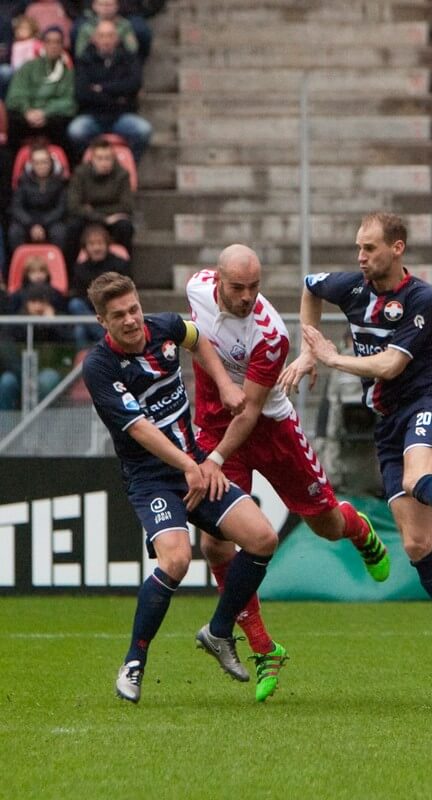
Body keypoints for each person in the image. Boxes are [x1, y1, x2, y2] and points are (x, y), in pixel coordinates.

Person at [277, 213, 432, 683]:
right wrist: (307, 348)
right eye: (358, 248)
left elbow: (388, 366)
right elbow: (310, 287)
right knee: (417, 544)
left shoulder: (421, 298)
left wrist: (329, 357)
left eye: (369, 249)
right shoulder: (352, 286)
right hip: (388, 426)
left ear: (397, 248)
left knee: (417, 478)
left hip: (428, 405)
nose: (360, 258)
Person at [187, 245, 393, 702]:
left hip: (269, 429)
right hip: (215, 425)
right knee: (215, 541)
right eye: (237, 287)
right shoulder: (195, 289)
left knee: (326, 525)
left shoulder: (270, 333)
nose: (246, 297)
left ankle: (360, 531)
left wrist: (213, 460)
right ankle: (263, 649)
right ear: (217, 281)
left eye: (255, 287)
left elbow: (251, 410)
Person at [81, 271, 281, 703]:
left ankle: (219, 630)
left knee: (263, 538)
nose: (133, 320)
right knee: (175, 559)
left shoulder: (165, 326)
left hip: (193, 465)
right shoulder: (98, 367)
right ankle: (134, 663)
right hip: (152, 477)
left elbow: (197, 339)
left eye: (134, 309)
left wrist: (226, 384)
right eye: (119, 316)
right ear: (102, 321)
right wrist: (191, 466)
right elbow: (139, 430)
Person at [69, 20, 153, 161]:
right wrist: (117, 97)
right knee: (75, 132)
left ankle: (124, 167)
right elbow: (82, 93)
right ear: (94, 38)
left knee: (144, 130)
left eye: (110, 35)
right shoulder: (84, 60)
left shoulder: (129, 58)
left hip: (121, 116)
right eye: (102, 36)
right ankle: (91, 166)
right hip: (93, 116)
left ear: (117, 38)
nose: (106, 40)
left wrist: (101, 88)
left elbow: (133, 84)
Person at [4, 26, 75, 150]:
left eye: (57, 42)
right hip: (27, 114)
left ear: (62, 46)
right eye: (49, 42)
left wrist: (45, 112)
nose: (53, 46)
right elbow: (14, 96)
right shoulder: (28, 67)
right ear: (43, 44)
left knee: (64, 123)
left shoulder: (68, 72)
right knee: (12, 121)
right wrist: (27, 110)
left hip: (52, 117)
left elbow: (70, 101)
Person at [67, 137, 134, 255]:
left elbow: (126, 206)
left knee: (126, 227)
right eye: (100, 158)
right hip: (90, 220)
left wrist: (91, 209)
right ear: (92, 159)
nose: (104, 163)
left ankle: (124, 268)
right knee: (73, 227)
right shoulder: (80, 173)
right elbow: (73, 206)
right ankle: (72, 271)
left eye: (108, 158)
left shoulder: (122, 174)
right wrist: (102, 217)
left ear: (113, 159)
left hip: (112, 222)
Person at [68, 224, 130, 347]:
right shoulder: (80, 269)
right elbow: (79, 295)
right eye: (92, 244)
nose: (96, 248)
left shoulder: (120, 264)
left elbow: (125, 290)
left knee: (80, 331)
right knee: (75, 305)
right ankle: (106, 339)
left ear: (107, 245)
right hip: (90, 312)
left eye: (100, 243)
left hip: (113, 311)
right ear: (86, 248)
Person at [9, 145, 69, 255]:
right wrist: (32, 224)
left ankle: (56, 265)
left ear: (51, 163)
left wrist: (43, 223)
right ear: (31, 164)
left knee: (60, 233)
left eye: (44, 162)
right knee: (15, 232)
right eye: (37, 163)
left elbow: (61, 208)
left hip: (51, 220)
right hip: (28, 219)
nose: (41, 166)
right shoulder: (23, 181)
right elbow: (17, 207)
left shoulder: (60, 182)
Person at [74, 0, 140, 58]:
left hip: (119, 63)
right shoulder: (87, 27)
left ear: (117, 6)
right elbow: (79, 53)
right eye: (101, 4)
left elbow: (133, 50)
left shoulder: (125, 25)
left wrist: (118, 42)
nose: (105, 8)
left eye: (109, 5)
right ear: (94, 6)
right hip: (93, 64)